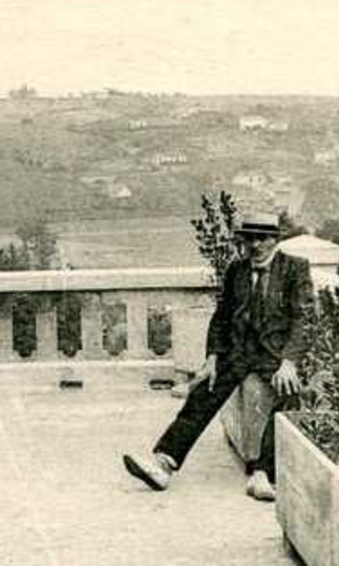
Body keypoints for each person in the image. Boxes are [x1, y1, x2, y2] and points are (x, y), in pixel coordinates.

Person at [122, 210, 312, 501]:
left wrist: (289, 362)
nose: (255, 246)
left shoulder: (294, 269)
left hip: (274, 356)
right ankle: (163, 464)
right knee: (203, 390)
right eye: (249, 239)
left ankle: (262, 474)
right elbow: (221, 318)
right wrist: (211, 358)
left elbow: (304, 318)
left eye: (262, 238)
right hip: (237, 353)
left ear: (275, 240)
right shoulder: (237, 270)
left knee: (289, 395)